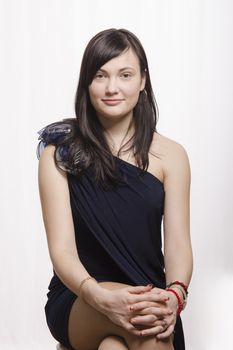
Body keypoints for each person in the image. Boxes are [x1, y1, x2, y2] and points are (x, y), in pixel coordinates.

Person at [37, 28, 193, 350]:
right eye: (100, 75)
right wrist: (98, 295)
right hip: (80, 295)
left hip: (148, 292)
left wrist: (175, 294)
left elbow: (178, 244)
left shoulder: (172, 155)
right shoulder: (60, 150)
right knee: (144, 327)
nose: (112, 88)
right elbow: (62, 250)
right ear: (87, 82)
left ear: (142, 81)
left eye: (125, 75)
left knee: (115, 344)